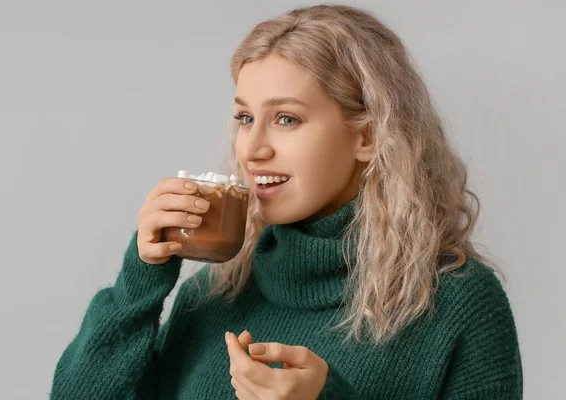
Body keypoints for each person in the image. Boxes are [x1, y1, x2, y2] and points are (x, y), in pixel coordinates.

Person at [50, 4, 523, 399]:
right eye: (244, 117)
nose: (252, 148)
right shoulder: (211, 295)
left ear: (370, 135)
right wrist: (141, 277)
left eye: (287, 119)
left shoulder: (458, 304)